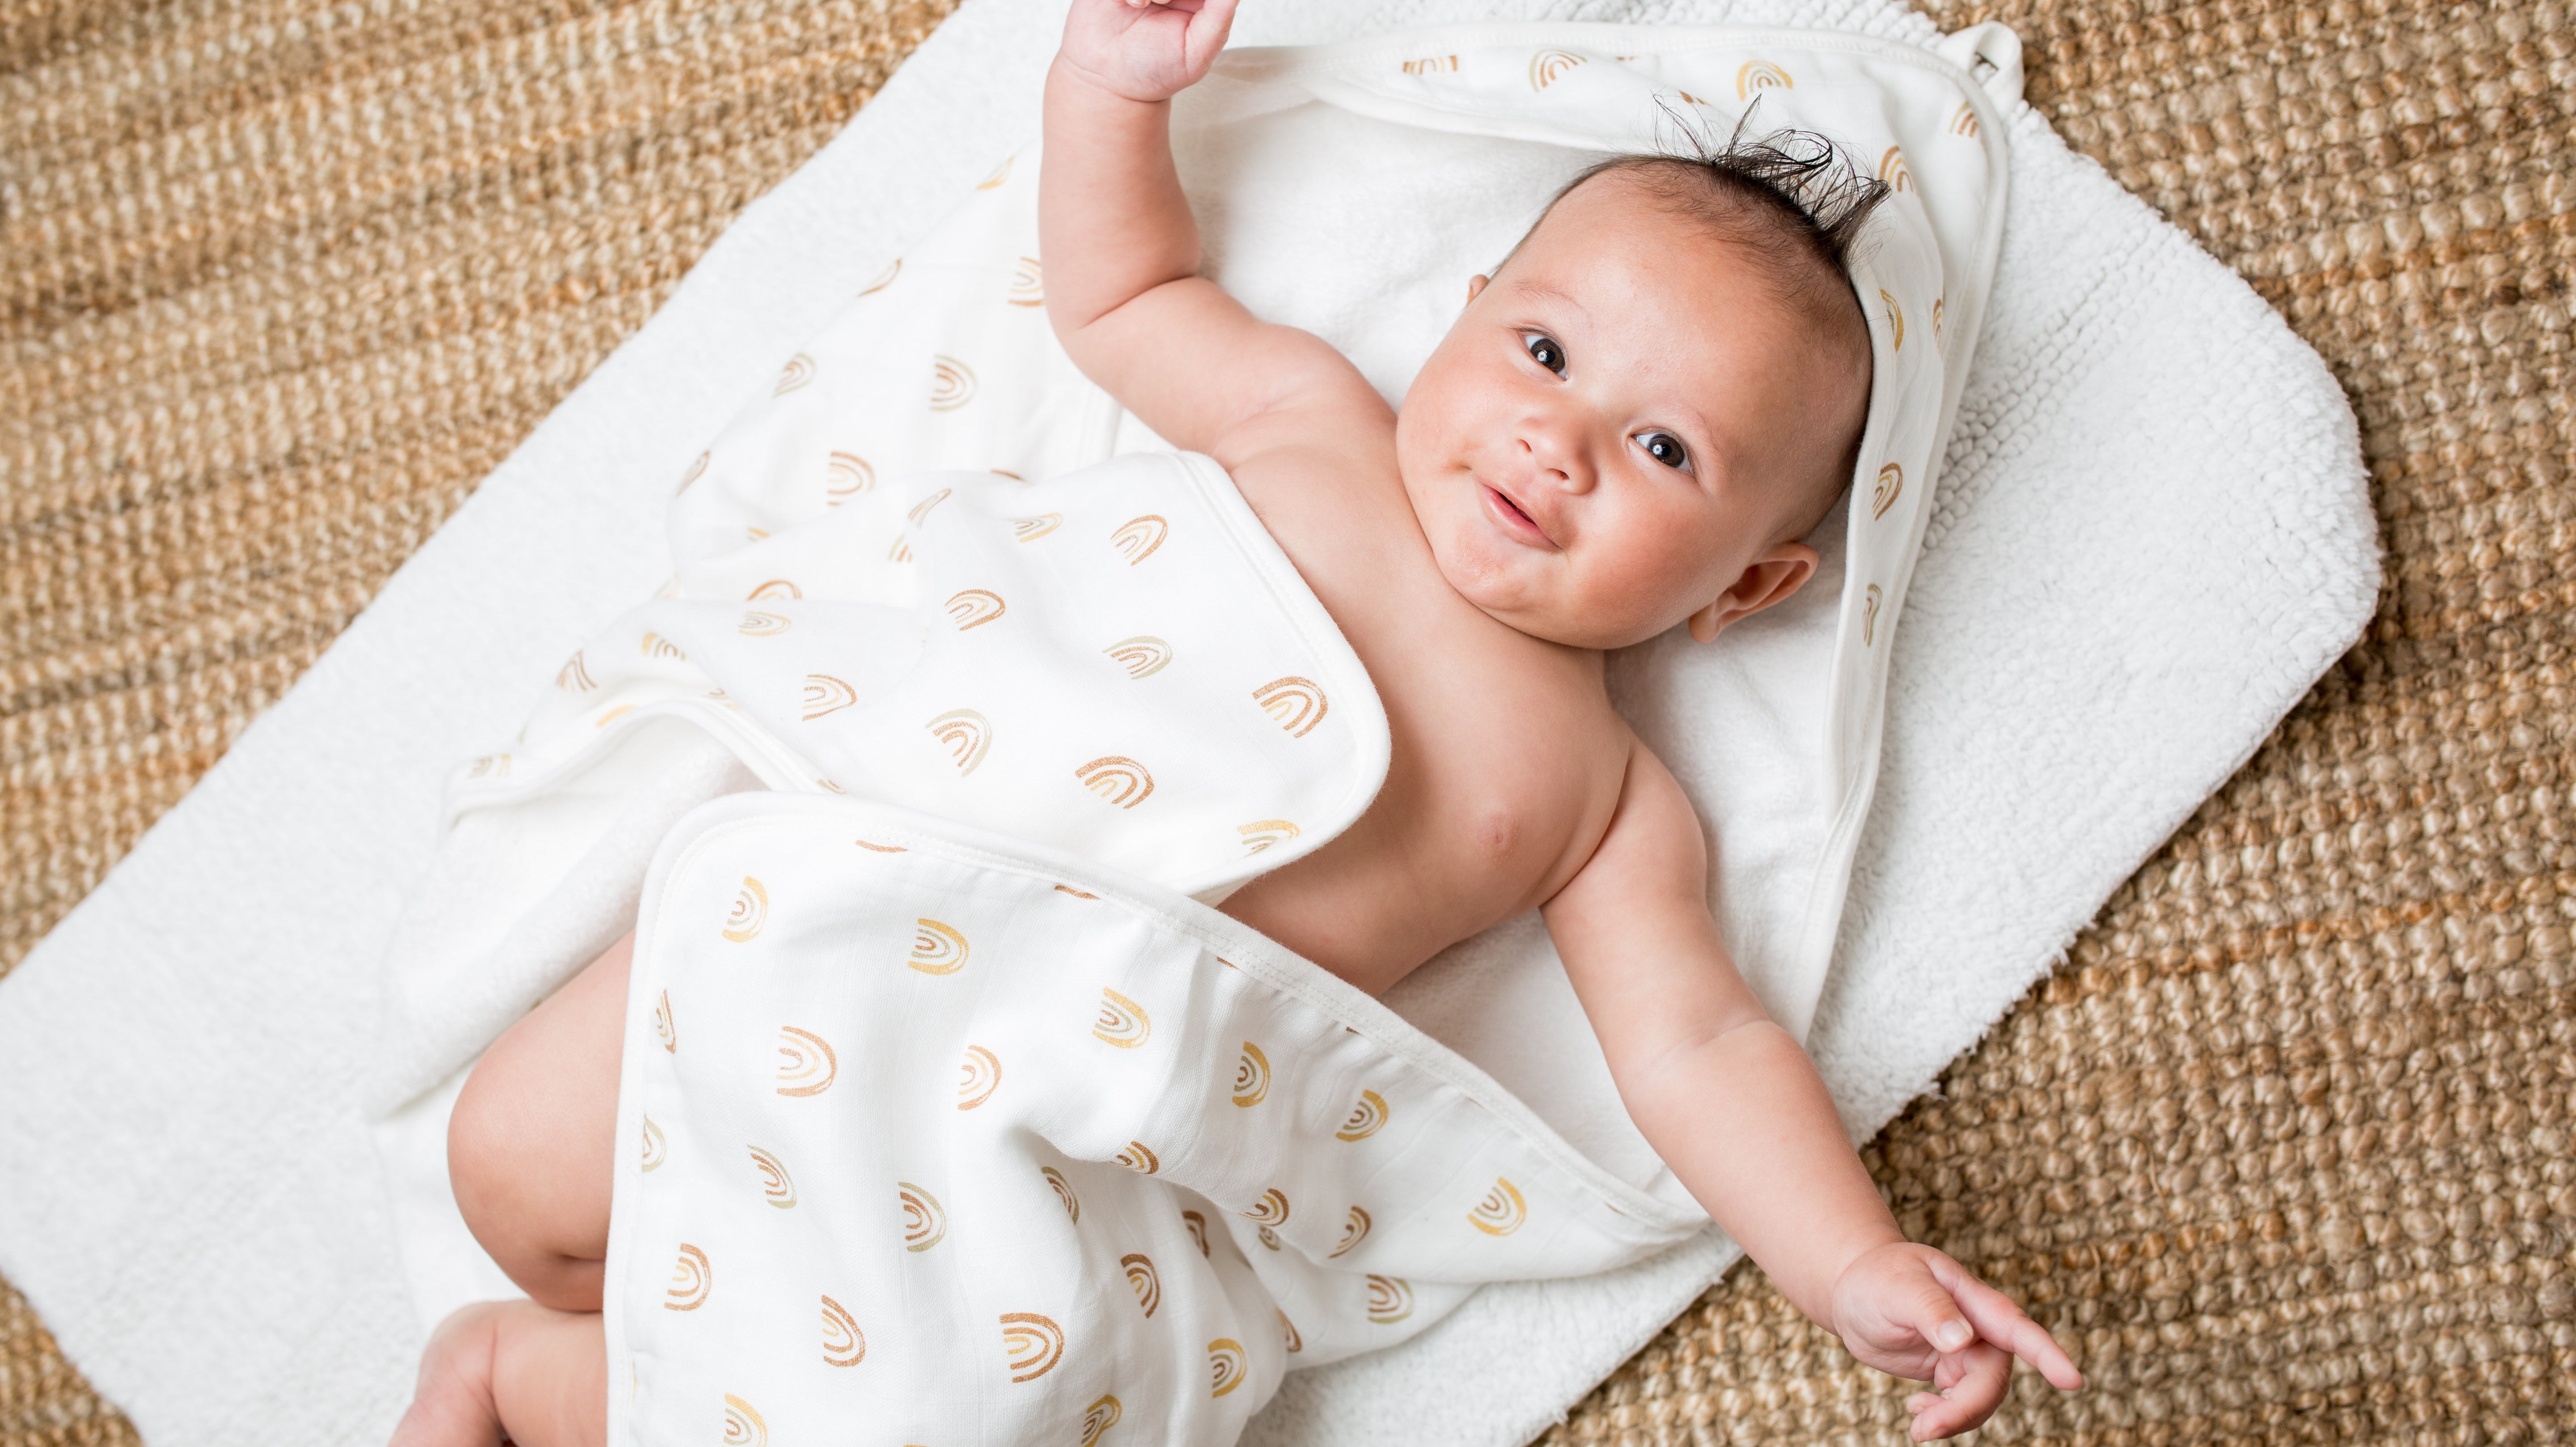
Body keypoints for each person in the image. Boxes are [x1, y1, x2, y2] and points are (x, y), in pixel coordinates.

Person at [391, 0, 2083, 1441]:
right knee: (520, 1181)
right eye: (1546, 349)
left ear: (1746, 586)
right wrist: (1108, 92)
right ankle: (531, 1332)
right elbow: (1123, 295)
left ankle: (529, 1380)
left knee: (928, 1409)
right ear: (1465, 313)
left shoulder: (1607, 801)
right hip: (875, 897)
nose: (1557, 443)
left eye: (1665, 450)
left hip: (1043, 1116)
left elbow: (1698, 1045)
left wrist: (1847, 1258)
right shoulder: (1309, 417)